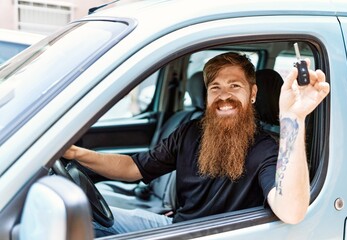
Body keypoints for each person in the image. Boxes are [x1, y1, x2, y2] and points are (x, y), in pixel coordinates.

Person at [63, 52, 330, 236]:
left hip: (209, 235)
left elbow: (292, 211)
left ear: (253, 93)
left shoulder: (265, 149)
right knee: (76, 219)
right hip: (177, 228)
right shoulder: (190, 131)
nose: (224, 96)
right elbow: (134, 168)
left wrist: (293, 118)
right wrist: (76, 153)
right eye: (215, 88)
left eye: (235, 86)